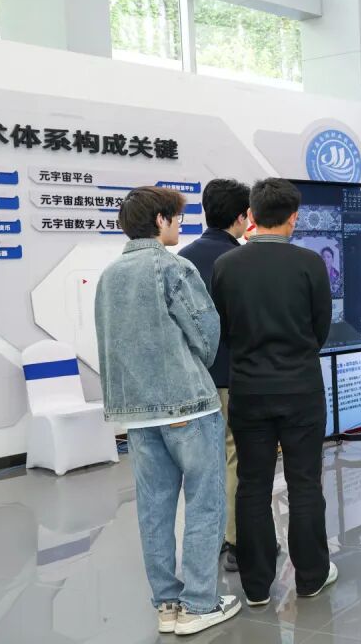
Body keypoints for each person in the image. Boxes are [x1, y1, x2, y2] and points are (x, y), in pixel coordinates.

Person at [94, 186, 240, 636]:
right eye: (175, 218)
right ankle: (199, 603)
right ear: (159, 220)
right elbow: (205, 333)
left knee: (153, 510)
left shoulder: (109, 276)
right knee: (204, 503)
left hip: (138, 414)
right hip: (187, 404)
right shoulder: (173, 267)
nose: (179, 225)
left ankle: (168, 604)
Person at [211, 178, 337, 606]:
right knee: (305, 483)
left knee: (252, 485)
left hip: (248, 390)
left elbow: (222, 329)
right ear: (293, 218)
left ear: (252, 214)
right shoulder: (310, 264)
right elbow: (320, 328)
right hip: (301, 388)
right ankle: (311, 577)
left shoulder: (226, 266)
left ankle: (256, 585)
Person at [178, 178, 250, 573]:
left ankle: (210, 539)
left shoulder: (182, 259)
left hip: (194, 379)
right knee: (236, 457)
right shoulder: (242, 260)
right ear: (241, 217)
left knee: (204, 462)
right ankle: (237, 541)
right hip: (234, 376)